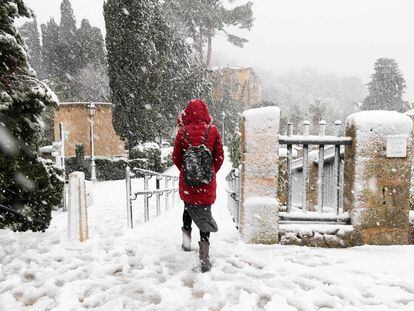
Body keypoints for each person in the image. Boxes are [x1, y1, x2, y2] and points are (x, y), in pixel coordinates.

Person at [172, 99, 224, 272]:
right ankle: (204, 256)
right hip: (206, 183)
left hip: (188, 183)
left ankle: (186, 244)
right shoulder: (213, 130)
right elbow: (219, 157)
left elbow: (176, 158)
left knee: (187, 209)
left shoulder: (182, 132)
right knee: (205, 214)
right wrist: (208, 172)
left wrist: (187, 171)